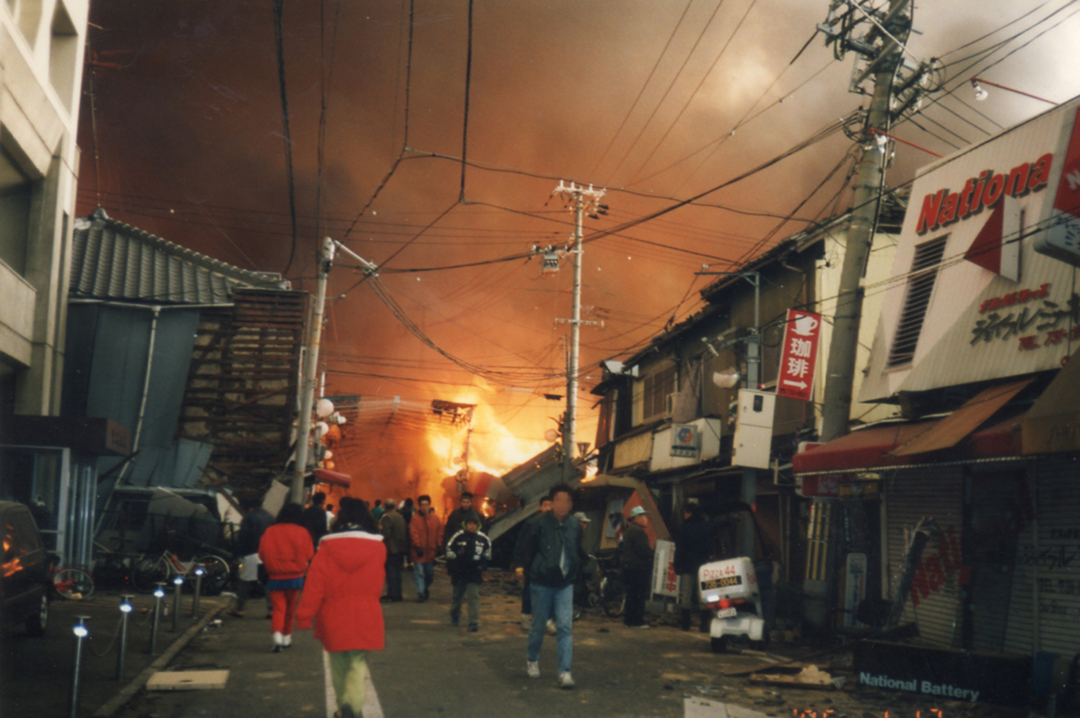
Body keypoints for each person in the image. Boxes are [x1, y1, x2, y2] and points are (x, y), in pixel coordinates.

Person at [296, 498, 386, 718]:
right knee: (357, 663)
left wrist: (305, 615)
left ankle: (342, 706)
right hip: (366, 612)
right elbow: (379, 580)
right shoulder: (378, 547)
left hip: (334, 613)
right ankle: (353, 706)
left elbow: (315, 583)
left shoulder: (327, 547)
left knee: (337, 663)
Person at [514, 484, 581, 689]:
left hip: (564, 583)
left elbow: (576, 549)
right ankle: (532, 659)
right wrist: (528, 572)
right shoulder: (539, 523)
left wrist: (576, 570)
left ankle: (565, 672)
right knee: (539, 625)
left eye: (568, 501)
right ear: (552, 503)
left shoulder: (574, 525)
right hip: (542, 582)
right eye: (560, 500)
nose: (564, 504)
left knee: (564, 626)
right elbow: (528, 550)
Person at [258, 503, 315, 651]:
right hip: (295, 576)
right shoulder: (302, 531)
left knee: (278, 609)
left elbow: (262, 553)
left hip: (275, 576)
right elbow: (309, 554)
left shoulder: (270, 531)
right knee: (291, 609)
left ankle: (276, 635)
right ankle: (286, 637)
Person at [674, 500, 716, 632]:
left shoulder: (684, 527)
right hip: (702, 565)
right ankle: (705, 624)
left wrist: (677, 564)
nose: (684, 515)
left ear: (689, 513)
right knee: (702, 593)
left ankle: (685, 624)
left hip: (687, 565)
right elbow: (710, 545)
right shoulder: (706, 526)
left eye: (685, 513)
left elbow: (679, 548)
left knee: (686, 594)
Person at [445, 515, 492, 631]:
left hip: (474, 573)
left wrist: (481, 567)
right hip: (459, 572)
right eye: (470, 523)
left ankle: (473, 622)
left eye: (475, 524)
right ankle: (455, 614)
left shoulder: (483, 539)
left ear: (478, 525)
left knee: (473, 597)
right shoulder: (458, 536)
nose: (472, 526)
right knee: (457, 597)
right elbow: (449, 549)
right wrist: (453, 567)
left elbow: (488, 554)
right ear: (466, 524)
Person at [230, 496, 273, 618]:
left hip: (251, 553)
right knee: (267, 582)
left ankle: (239, 608)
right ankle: (271, 609)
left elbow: (242, 538)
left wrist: (237, 554)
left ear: (249, 508)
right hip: (267, 554)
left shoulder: (249, 518)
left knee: (245, 582)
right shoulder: (270, 517)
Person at [516, 494, 553, 629]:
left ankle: (548, 621)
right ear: (540, 507)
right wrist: (520, 564)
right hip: (531, 564)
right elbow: (521, 543)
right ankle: (525, 617)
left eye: (551, 505)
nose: (548, 508)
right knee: (529, 591)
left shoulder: (556, 525)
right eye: (545, 505)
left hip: (548, 565)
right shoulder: (531, 523)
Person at [621, 505, 655, 629]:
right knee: (639, 595)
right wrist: (653, 553)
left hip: (629, 567)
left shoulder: (629, 531)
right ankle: (637, 621)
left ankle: (629, 620)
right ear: (636, 518)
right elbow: (643, 551)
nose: (646, 519)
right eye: (643, 516)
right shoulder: (639, 532)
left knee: (632, 595)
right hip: (638, 568)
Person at [408, 494, 443, 601]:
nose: (424, 507)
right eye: (422, 505)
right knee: (418, 573)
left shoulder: (436, 519)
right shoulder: (415, 519)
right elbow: (413, 533)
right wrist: (417, 546)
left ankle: (424, 588)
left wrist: (439, 545)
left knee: (430, 574)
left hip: (430, 552)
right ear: (419, 506)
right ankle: (421, 593)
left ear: (429, 505)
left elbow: (439, 533)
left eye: (426, 504)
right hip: (418, 551)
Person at [379, 499, 407, 602]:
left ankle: (392, 594)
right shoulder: (400, 516)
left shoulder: (387, 517)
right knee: (398, 572)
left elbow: (385, 534)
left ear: (385, 506)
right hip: (400, 547)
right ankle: (398, 594)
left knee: (391, 572)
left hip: (391, 549)